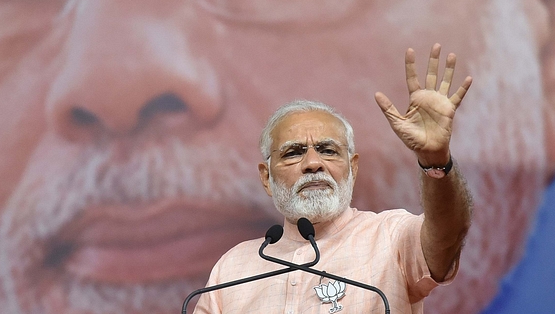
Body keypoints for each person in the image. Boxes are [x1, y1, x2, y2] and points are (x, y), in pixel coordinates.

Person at [0, 0, 555, 313]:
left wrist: (436, 164)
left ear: (549, 43)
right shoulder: (236, 269)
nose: (111, 75)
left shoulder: (387, 242)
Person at [194, 45, 473, 313]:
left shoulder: (390, 236)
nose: (313, 163)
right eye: (293, 153)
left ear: (353, 167)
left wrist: (436, 160)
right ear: (266, 177)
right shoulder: (232, 269)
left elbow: (448, 234)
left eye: (328, 150)